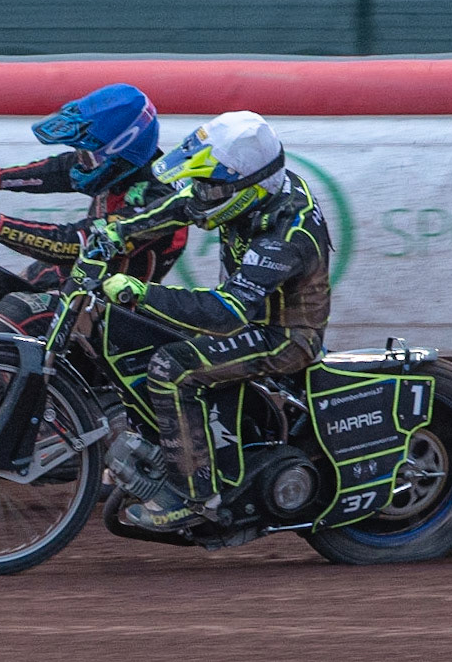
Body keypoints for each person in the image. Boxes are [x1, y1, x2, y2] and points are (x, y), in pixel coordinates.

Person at [96, 111, 333, 531]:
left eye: (211, 186)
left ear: (246, 186)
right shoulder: (249, 187)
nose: (202, 195)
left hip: (283, 337)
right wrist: (117, 232)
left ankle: (196, 497)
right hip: (247, 320)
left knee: (172, 368)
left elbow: (228, 313)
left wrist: (142, 292)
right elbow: (179, 205)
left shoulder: (288, 232)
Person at [0, 82, 187, 338]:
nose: (80, 162)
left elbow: (75, 244)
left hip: (109, 309)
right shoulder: (119, 167)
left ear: (123, 151)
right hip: (79, 277)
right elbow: (61, 170)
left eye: (87, 156)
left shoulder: (160, 196)